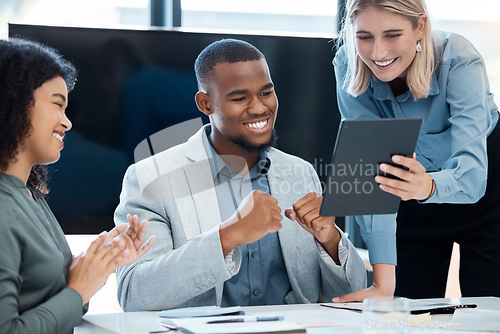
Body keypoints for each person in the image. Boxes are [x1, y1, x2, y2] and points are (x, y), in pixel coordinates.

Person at [114, 38, 367, 311]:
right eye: (240, 98)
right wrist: (228, 236)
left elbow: (349, 296)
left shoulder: (300, 172)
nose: (259, 108)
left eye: (266, 93)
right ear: (205, 104)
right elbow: (135, 294)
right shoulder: (151, 177)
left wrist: (330, 239)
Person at [333, 0, 500, 300]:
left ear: (420, 26)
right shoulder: (348, 63)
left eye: (392, 35)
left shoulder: (458, 59)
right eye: (365, 36)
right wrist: (382, 284)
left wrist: (429, 186)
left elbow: (473, 178)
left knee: (489, 311)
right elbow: (372, 170)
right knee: (407, 313)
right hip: (407, 194)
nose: (377, 53)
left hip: (488, 190)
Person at [0, 38, 155, 334]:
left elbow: (56, 300)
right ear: (14, 101)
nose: (67, 122)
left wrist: (100, 264)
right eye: (58, 105)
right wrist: (79, 291)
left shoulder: (30, 195)